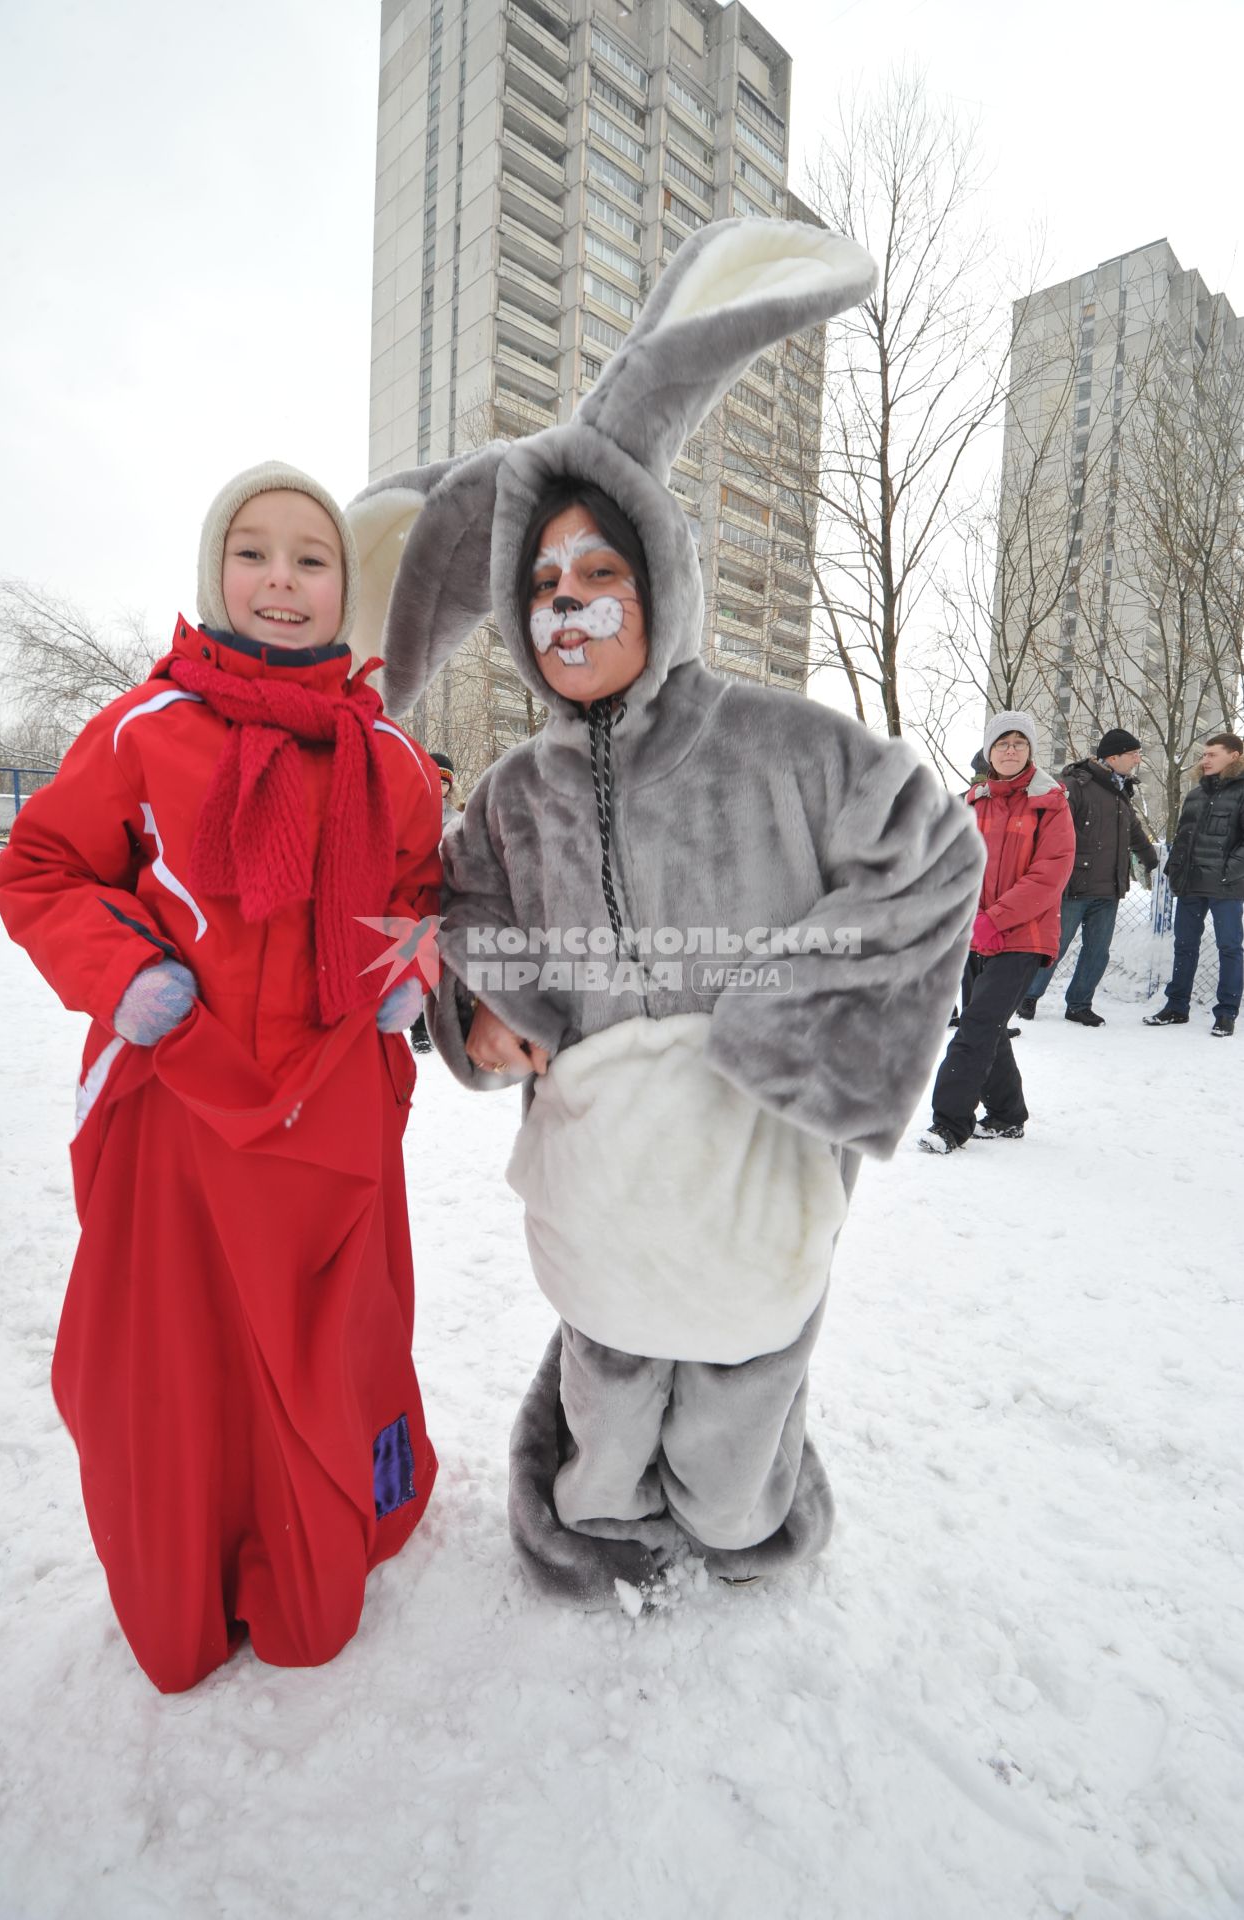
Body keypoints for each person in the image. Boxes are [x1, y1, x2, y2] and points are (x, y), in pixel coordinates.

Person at [349, 218, 984, 1606]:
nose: (568, 612)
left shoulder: (785, 746)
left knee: (734, 1424)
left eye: (599, 580)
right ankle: (588, 1517)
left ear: (660, 582)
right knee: (613, 1392)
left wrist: (795, 1033)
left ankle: (743, 1511)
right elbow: (461, 911)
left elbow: (933, 857)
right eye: (541, 591)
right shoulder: (511, 788)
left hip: (750, 1161)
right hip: (607, 1178)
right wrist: (492, 1005)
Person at [0, 463, 443, 1692]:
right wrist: (128, 975)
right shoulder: (143, 728)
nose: (283, 581)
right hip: (182, 1108)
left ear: (345, 590)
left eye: (312, 559)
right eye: (255, 553)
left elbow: (412, 895)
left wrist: (405, 969)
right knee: (180, 1363)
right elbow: (39, 871)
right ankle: (193, 1577)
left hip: (336, 1110)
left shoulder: (391, 756)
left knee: (328, 1345)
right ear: (212, 574)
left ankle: (320, 1551)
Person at [920, 711, 1074, 1153]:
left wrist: (995, 919)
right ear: (989, 752)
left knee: (976, 1026)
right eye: (1003, 744)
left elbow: (1049, 875)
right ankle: (1007, 1115)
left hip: (1024, 936)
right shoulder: (972, 802)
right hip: (974, 934)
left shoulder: (1051, 804)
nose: (1011, 751)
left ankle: (949, 1124)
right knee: (985, 1024)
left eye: (1019, 744)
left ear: (1030, 751)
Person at [1020, 728, 1158, 1026]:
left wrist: (1151, 859)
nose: (1137, 759)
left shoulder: (1120, 790)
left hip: (1108, 887)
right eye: (1132, 754)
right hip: (1072, 885)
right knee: (1053, 947)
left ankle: (1079, 1004)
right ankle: (1028, 997)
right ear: (1113, 756)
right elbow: (1049, 830)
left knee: (1098, 952)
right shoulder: (1075, 785)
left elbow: (1133, 830)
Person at [1144, 731, 1244, 1037]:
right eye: (1204, 754)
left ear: (1235, 756)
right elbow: (1183, 838)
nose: (1205, 759)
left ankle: (1226, 1013)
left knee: (1229, 947)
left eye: (1212, 754)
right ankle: (1176, 1006)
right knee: (1184, 945)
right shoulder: (1196, 793)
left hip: (1226, 886)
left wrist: (1229, 871)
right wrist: (1175, 870)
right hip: (1190, 884)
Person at [409, 751, 461, 1054]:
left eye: (444, 781)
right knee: (418, 961)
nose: (438, 786)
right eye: (434, 777)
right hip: (417, 898)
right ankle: (418, 1026)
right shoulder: (413, 812)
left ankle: (448, 1024)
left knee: (446, 965)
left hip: (446, 898)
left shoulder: (457, 820)